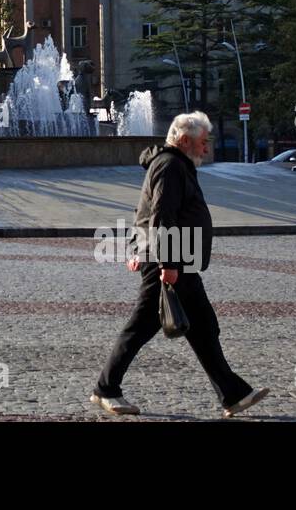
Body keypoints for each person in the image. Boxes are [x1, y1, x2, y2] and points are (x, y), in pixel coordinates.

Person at [91, 110, 269, 418]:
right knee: (141, 327)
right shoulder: (171, 165)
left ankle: (233, 394)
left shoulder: (175, 165)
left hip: (176, 259)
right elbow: (161, 216)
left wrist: (138, 248)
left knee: (203, 327)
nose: (207, 148)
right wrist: (167, 263)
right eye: (204, 141)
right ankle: (106, 389)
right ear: (185, 140)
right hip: (171, 261)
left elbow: (143, 211)